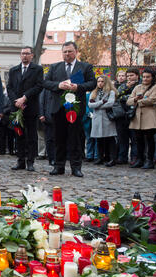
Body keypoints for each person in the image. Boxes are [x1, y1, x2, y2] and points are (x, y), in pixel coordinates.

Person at [43, 41, 97, 177]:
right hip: (58, 108)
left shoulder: (85, 67)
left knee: (75, 139)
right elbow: (46, 82)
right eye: (65, 51)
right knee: (58, 139)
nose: (67, 54)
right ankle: (58, 166)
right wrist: (58, 85)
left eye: (70, 51)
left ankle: (76, 167)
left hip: (76, 108)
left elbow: (92, 83)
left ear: (76, 51)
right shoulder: (54, 67)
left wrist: (78, 87)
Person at [7, 46, 44, 171]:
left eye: (27, 53)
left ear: (32, 55)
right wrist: (16, 101)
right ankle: (20, 160)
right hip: (17, 108)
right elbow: (9, 87)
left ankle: (30, 161)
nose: (25, 56)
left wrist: (25, 97)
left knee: (32, 136)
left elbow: (39, 86)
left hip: (31, 107)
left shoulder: (37, 69)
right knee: (19, 135)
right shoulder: (13, 70)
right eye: (23, 53)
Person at [127, 68, 156, 169]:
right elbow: (129, 101)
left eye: (148, 77)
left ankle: (150, 160)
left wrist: (138, 101)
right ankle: (140, 159)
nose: (145, 79)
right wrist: (137, 99)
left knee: (150, 139)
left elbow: (153, 100)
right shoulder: (138, 87)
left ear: (152, 77)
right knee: (138, 139)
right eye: (144, 77)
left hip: (150, 117)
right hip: (138, 118)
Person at [88, 75, 118, 167]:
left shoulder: (111, 92)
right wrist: (101, 103)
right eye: (98, 81)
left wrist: (96, 105)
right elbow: (90, 105)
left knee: (110, 138)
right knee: (99, 139)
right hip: (97, 118)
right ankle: (100, 157)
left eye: (102, 81)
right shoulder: (94, 92)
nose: (100, 83)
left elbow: (110, 103)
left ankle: (112, 158)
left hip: (107, 118)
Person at [116, 68, 140, 165]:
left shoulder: (140, 85)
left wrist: (126, 98)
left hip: (136, 114)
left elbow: (138, 97)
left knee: (135, 138)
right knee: (122, 138)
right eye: (128, 76)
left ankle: (134, 157)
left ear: (137, 76)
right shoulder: (123, 85)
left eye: (132, 75)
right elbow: (117, 96)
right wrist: (126, 88)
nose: (129, 78)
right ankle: (122, 157)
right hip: (123, 115)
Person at [38, 88, 56, 166]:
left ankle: (58, 158)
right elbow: (41, 101)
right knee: (49, 139)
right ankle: (51, 158)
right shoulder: (46, 87)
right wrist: (41, 114)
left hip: (58, 116)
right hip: (48, 117)